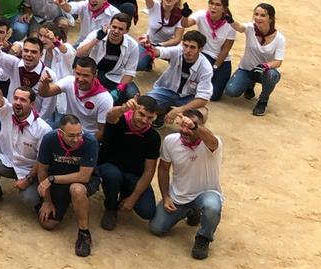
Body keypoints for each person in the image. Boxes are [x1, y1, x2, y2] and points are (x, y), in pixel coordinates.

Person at [149, 109, 223, 259]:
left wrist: (194, 126)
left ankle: (203, 238)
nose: (185, 131)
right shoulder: (170, 141)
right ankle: (192, 211)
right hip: (179, 196)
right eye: (182, 126)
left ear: (201, 126)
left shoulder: (212, 143)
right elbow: (163, 168)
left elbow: (211, 140)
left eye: (190, 127)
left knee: (212, 207)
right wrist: (166, 196)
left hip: (206, 193)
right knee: (156, 228)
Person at [32, 114, 99, 258]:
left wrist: (52, 179)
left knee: (77, 189)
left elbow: (84, 176)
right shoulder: (49, 139)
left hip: (80, 181)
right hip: (59, 180)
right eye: (71, 135)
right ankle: (64, 203)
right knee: (48, 223)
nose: (76, 139)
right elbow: (42, 169)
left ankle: (84, 233)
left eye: (79, 134)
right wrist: (47, 201)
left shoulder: (90, 142)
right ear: (60, 133)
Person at [95, 96, 161, 231]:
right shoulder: (119, 119)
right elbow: (110, 115)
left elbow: (149, 170)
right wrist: (123, 108)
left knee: (147, 211)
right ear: (134, 110)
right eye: (141, 114)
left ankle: (126, 193)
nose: (144, 120)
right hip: (109, 166)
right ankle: (111, 208)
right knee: (113, 176)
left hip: (133, 175)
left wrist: (133, 197)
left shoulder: (153, 137)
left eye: (149, 118)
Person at [222, 1, 285, 116]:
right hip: (246, 70)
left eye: (262, 15)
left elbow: (278, 61)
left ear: (270, 18)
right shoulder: (251, 28)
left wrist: (265, 66)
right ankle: (249, 85)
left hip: (264, 72)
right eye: (256, 14)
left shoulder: (280, 38)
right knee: (231, 91)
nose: (258, 18)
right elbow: (240, 28)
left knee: (271, 75)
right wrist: (230, 20)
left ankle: (263, 100)